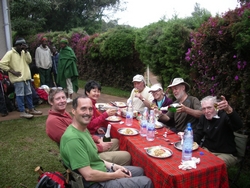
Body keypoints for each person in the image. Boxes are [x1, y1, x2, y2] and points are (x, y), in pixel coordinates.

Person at [60, 96, 153, 188]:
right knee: (146, 182)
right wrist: (115, 175)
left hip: (101, 171)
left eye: (90, 109)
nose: (88, 113)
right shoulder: (73, 139)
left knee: (140, 170)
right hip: (96, 183)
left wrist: (114, 166)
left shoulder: (82, 129)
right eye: (83, 109)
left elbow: (95, 159)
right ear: (73, 111)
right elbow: (89, 175)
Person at [46, 88, 131, 166]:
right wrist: (100, 147)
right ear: (51, 102)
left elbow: (83, 132)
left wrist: (98, 139)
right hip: (85, 156)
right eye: (58, 99)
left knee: (116, 141)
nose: (62, 101)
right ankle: (117, 170)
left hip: (89, 145)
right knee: (127, 156)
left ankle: (115, 164)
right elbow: (76, 146)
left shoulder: (64, 114)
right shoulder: (53, 122)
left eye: (63, 98)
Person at [194, 95, 243, 167]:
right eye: (203, 109)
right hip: (207, 150)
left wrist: (229, 110)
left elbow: (238, 126)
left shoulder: (224, 116)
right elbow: (198, 135)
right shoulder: (203, 118)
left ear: (216, 107)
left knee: (210, 167)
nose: (206, 111)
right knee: (191, 160)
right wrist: (187, 137)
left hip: (226, 154)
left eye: (209, 108)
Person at [0, 38, 42, 119]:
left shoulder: (23, 52)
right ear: (18, 45)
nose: (23, 47)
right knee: (20, 95)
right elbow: (1, 64)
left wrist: (26, 51)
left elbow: (29, 61)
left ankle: (31, 109)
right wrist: (12, 71)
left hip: (26, 77)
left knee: (29, 94)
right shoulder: (10, 53)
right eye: (22, 46)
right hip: (18, 78)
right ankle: (22, 111)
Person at [57, 38, 78, 103]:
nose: (62, 45)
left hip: (68, 69)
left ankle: (70, 97)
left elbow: (73, 58)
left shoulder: (69, 50)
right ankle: (66, 97)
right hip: (62, 69)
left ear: (66, 44)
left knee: (69, 82)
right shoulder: (61, 51)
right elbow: (60, 59)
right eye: (61, 43)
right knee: (64, 83)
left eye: (63, 43)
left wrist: (67, 63)